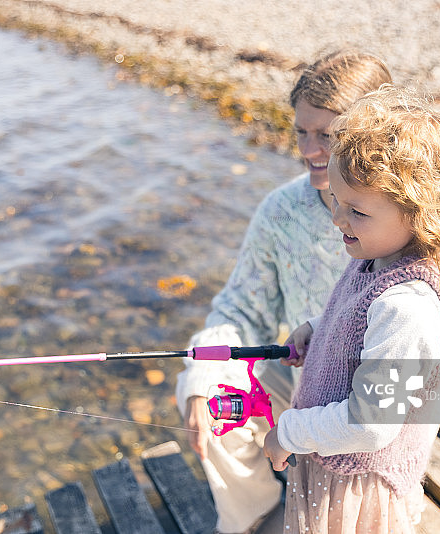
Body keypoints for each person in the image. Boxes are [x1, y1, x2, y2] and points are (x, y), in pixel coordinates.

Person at [263, 85, 440, 533]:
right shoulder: (377, 258)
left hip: (357, 484)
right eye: (336, 199)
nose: (338, 218)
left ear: (420, 215)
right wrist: (320, 329)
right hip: (333, 464)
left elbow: (371, 424)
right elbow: (358, 322)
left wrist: (287, 431)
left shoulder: (408, 307)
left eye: (356, 210)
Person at [175, 50, 393, 534]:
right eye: (301, 132)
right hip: (297, 385)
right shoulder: (281, 210)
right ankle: (249, 518)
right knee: (207, 390)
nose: (310, 150)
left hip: (369, 409)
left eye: (328, 136)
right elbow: (239, 307)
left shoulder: (400, 222)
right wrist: (202, 371)